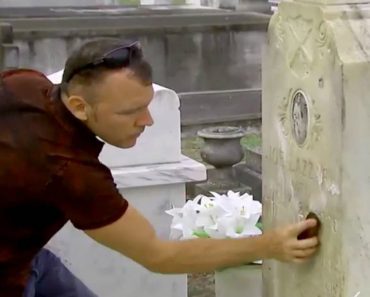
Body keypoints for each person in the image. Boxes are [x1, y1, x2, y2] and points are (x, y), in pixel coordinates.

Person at [0, 38, 319, 296]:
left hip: (31, 256)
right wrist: (272, 244)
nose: (148, 121)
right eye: (131, 112)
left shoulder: (25, 84)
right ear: (79, 106)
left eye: (147, 106)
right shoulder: (71, 173)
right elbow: (159, 255)